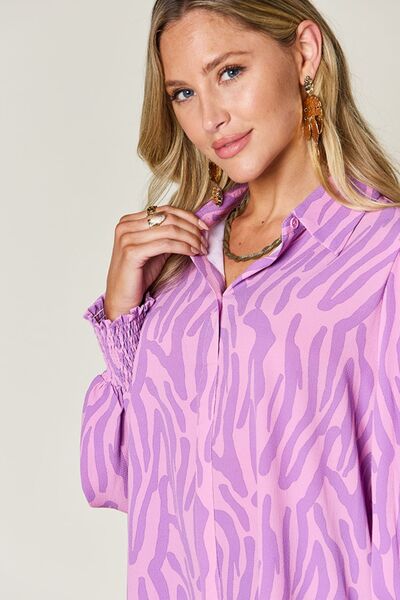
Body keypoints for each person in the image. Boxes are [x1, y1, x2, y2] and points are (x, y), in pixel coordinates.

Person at [80, 1, 400, 598]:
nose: (210, 118)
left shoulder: (382, 254)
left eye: (229, 72)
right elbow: (116, 479)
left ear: (304, 54)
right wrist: (124, 314)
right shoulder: (179, 264)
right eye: (183, 93)